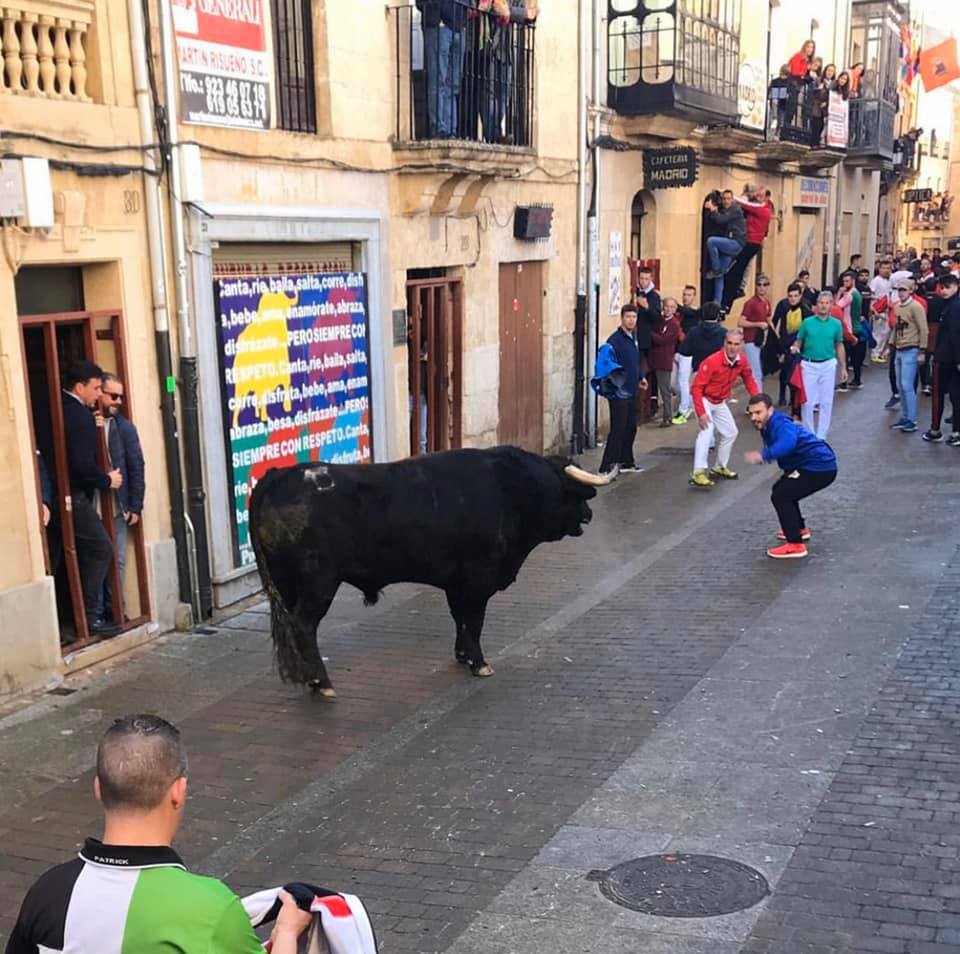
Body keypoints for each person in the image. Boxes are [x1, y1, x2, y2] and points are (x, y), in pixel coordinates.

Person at [5, 714, 313, 954]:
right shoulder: (211, 908)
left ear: (98, 788)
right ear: (179, 790)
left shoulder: (47, 892)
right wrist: (286, 933)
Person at [61, 361, 123, 639]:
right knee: (101, 548)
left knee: (69, 552)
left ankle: (80, 617)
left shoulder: (62, 407)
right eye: (96, 388)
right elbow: (81, 465)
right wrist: (107, 480)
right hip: (74, 495)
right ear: (79, 387)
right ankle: (89, 618)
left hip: (61, 495)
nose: (99, 394)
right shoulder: (80, 417)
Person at [744, 393, 838, 560]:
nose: (754, 417)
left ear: (770, 410)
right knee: (782, 489)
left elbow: (787, 444)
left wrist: (763, 455)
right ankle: (799, 529)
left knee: (781, 495)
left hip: (819, 467)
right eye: (751, 413)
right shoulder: (769, 424)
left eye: (758, 412)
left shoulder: (779, 425)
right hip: (810, 464)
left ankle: (795, 545)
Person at [95, 374, 145, 624]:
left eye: (121, 397)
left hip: (118, 505)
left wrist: (136, 505)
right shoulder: (89, 423)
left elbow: (136, 466)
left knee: (119, 559)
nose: (118, 401)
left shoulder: (124, 427)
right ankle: (97, 612)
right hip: (92, 504)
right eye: (113, 396)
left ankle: (115, 609)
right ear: (99, 393)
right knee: (97, 558)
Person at [688, 328, 759, 488]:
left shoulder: (742, 361)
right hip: (705, 398)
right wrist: (701, 413)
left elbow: (749, 379)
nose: (732, 347)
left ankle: (719, 466)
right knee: (706, 430)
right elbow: (696, 388)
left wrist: (757, 399)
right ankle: (698, 472)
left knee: (731, 432)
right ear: (724, 343)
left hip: (720, 401)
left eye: (736, 344)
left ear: (741, 345)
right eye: (729, 343)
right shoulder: (712, 361)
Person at [598, 303, 648, 476]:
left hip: (632, 390)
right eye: (628, 317)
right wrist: (617, 385)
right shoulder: (614, 341)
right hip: (619, 392)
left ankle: (626, 461)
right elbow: (608, 365)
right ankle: (606, 466)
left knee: (631, 427)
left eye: (634, 317)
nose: (631, 320)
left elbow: (633, 361)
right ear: (622, 318)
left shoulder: (633, 337)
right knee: (618, 429)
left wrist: (640, 377)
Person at [791, 291, 847, 440]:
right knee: (808, 402)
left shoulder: (836, 324)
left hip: (828, 364)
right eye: (821, 303)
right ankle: (809, 433)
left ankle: (821, 435)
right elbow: (799, 340)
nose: (823, 306)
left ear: (831, 305)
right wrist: (795, 347)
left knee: (826, 402)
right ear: (816, 305)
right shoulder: (807, 322)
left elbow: (839, 345)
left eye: (827, 303)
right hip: (809, 365)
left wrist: (843, 367)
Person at [419, 0, 468, 139]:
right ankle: (439, 128)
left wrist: (463, 21)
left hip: (458, 28)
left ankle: (451, 129)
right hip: (439, 27)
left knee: (453, 84)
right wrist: (437, 18)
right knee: (438, 80)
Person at [923, 273, 960, 444]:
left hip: (945, 357)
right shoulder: (951, 305)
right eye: (942, 287)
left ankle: (935, 429)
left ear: (956, 287)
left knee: (938, 394)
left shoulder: (952, 308)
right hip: (951, 356)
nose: (944, 291)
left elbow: (955, 334)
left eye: (947, 287)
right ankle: (956, 432)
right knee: (956, 395)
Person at [888, 279, 929, 433]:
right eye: (899, 290)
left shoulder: (916, 307)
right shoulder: (897, 307)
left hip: (911, 349)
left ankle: (911, 419)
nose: (901, 292)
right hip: (899, 349)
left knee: (906, 385)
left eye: (904, 290)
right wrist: (890, 346)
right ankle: (905, 417)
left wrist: (922, 350)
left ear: (911, 290)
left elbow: (923, 329)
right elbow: (896, 328)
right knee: (900, 386)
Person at [722, 185, 772, 309]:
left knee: (736, 270)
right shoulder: (760, 207)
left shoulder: (763, 208)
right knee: (740, 269)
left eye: (760, 196)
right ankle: (729, 298)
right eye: (756, 196)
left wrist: (729, 196)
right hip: (749, 243)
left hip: (751, 243)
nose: (757, 198)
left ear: (767, 198)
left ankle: (727, 300)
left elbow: (745, 204)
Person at [773, 282, 811, 415]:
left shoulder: (806, 310)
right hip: (785, 345)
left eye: (795, 296)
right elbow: (778, 325)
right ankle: (783, 394)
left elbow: (807, 332)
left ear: (800, 296)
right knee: (784, 373)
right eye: (790, 296)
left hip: (799, 348)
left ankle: (795, 405)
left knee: (794, 376)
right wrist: (780, 349)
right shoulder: (784, 306)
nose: (793, 298)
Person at [703, 190, 746, 304]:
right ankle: (717, 303)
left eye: (728, 198)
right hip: (730, 243)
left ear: (732, 199)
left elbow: (721, 219)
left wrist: (712, 210)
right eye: (724, 199)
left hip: (735, 243)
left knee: (711, 241)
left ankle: (715, 269)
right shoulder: (726, 209)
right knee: (720, 276)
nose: (726, 201)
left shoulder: (735, 209)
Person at [738, 274, 773, 391]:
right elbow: (741, 322)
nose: (761, 287)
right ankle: (757, 399)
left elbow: (768, 318)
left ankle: (756, 399)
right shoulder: (751, 303)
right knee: (755, 372)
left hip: (761, 340)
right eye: (759, 284)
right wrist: (758, 324)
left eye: (764, 285)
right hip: (751, 340)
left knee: (760, 371)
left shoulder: (766, 302)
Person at [649, 297, 681, 427]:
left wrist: (650, 334)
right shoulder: (660, 321)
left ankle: (668, 417)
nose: (668, 309)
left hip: (664, 359)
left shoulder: (674, 324)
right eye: (666, 306)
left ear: (675, 309)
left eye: (672, 307)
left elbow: (663, 340)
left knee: (665, 389)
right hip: (654, 358)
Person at [673, 285, 701, 423]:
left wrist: (673, 303)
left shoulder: (695, 312)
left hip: (688, 352)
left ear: (694, 296)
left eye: (689, 295)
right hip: (676, 351)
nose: (686, 297)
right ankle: (690, 403)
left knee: (683, 381)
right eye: (684, 294)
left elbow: (686, 310)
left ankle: (683, 410)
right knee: (675, 385)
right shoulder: (680, 313)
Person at [836, 270, 865, 389]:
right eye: (844, 281)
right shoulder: (857, 293)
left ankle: (844, 382)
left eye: (847, 281)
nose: (845, 284)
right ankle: (857, 379)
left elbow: (836, 307)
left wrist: (839, 293)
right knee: (855, 357)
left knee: (845, 357)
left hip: (849, 329)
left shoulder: (849, 295)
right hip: (857, 327)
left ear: (853, 281)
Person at [869, 259, 893, 362]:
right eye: (884, 268)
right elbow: (872, 295)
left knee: (886, 332)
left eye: (888, 268)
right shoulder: (876, 281)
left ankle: (880, 352)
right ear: (879, 269)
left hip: (887, 309)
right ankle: (875, 353)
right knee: (878, 332)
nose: (886, 270)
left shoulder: (890, 281)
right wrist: (874, 310)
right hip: (878, 310)